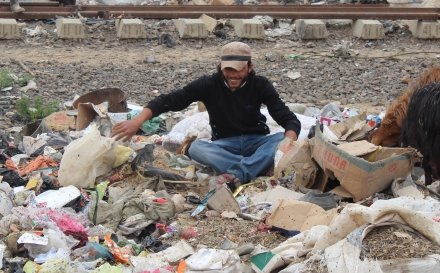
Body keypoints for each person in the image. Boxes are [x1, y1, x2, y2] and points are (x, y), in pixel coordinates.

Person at [112, 42, 300, 186]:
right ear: (220, 66)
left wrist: (286, 143)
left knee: (279, 140)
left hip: (256, 141)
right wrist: (137, 121)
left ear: (249, 67)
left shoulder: (261, 85)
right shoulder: (208, 84)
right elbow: (171, 100)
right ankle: (254, 166)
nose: (233, 74)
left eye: (239, 69)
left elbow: (286, 117)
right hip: (225, 145)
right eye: (228, 69)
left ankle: (240, 173)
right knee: (195, 148)